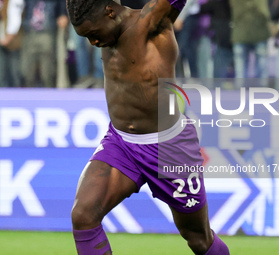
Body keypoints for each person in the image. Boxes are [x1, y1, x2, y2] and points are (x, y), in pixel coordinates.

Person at [67, 0, 230, 254]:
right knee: (83, 215)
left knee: (199, 238)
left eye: (93, 34)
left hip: (170, 147)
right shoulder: (105, 29)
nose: (93, 43)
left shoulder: (153, 24)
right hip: (121, 144)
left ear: (110, 12)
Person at [21, 0, 68, 87]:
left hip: (47, 32)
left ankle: (49, 95)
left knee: (47, 71)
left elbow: (61, 5)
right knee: (28, 71)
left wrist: (63, 13)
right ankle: (28, 96)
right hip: (30, 32)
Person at [0, 0, 24, 87]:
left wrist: (9, 36)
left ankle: (17, 96)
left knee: (15, 72)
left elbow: (16, 17)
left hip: (14, 39)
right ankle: (0, 96)